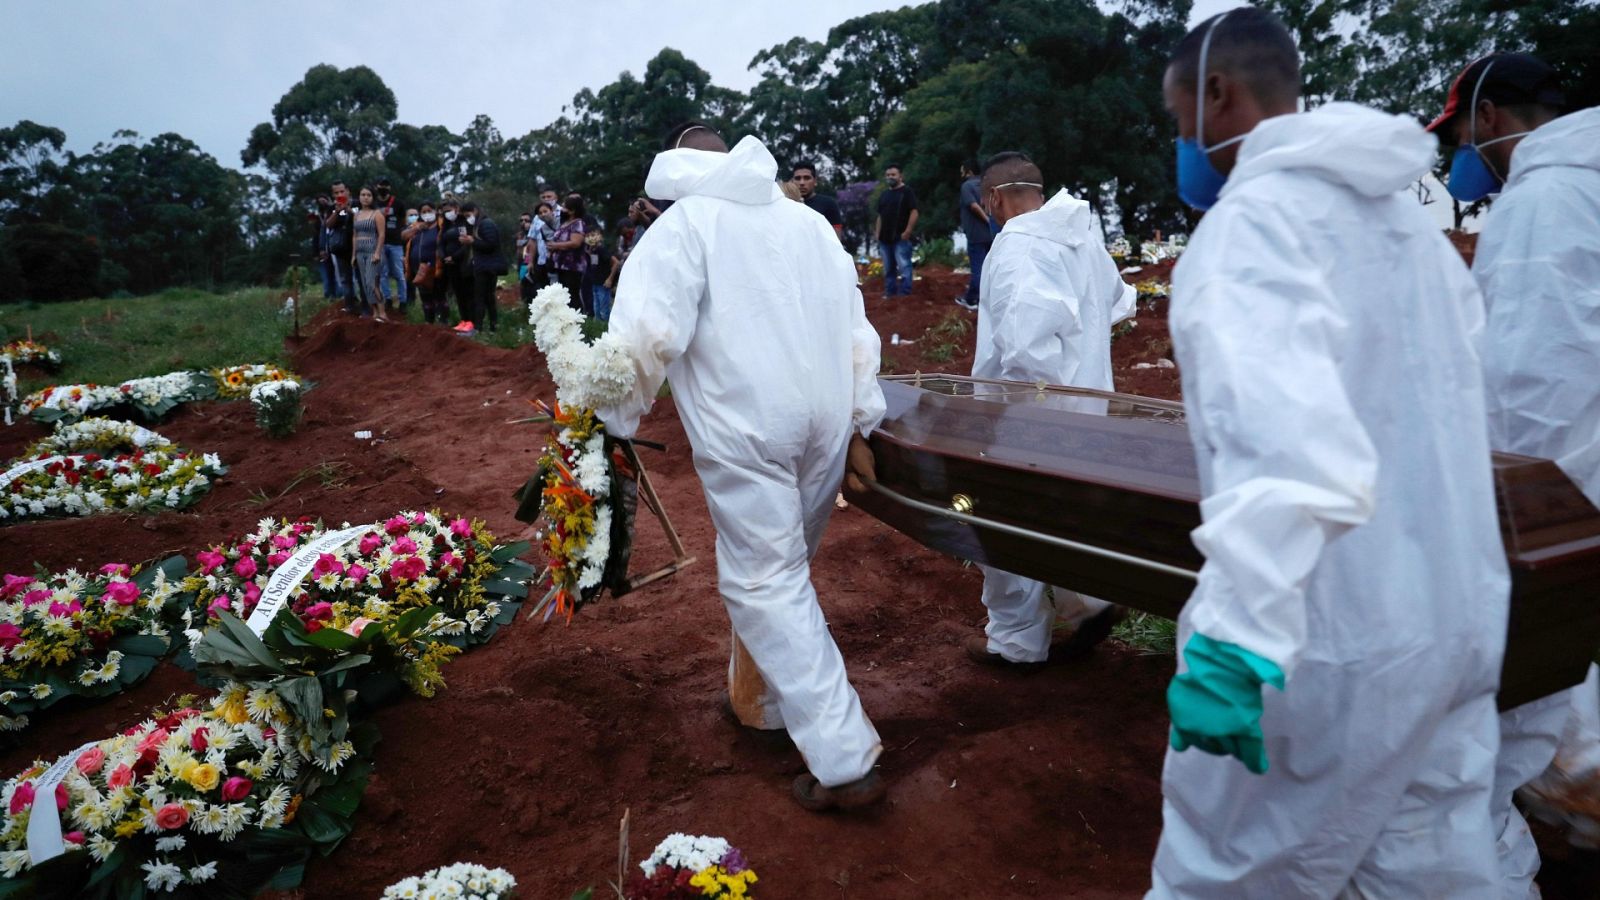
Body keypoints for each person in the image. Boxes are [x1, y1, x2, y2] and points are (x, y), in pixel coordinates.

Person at [1147, 8, 1509, 896]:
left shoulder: (1251, 234)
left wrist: (1235, 645)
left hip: (1321, 639)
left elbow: (1288, 460)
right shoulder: (1406, 229)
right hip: (1450, 616)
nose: (1178, 145)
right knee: (1432, 868)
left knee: (1226, 870)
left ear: (1217, 95)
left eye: (1173, 120)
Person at [597, 122, 888, 812]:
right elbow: (858, 328)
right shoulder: (811, 224)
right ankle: (762, 705)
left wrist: (607, 430)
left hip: (750, 424)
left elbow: (643, 342)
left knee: (764, 578)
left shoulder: (683, 228)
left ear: (674, 170)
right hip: (825, 418)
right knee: (786, 571)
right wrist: (859, 422)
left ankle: (845, 760)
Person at [1427, 52, 1600, 891]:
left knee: (1539, 684)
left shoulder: (1546, 200)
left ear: (1489, 118)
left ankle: (1571, 818)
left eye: (1458, 132)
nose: (1459, 152)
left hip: (1566, 493)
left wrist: (1511, 515)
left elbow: (1533, 386)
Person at [963, 152, 1134, 672]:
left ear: (993, 199)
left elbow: (1025, 352)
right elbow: (1121, 302)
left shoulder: (1018, 248)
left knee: (1001, 524)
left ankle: (1016, 643)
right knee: (1065, 515)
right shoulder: (1081, 237)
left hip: (1032, 417)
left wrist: (1006, 420)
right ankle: (1091, 603)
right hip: (1087, 408)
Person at [458, 202, 505, 332]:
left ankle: (479, 328)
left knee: (482, 298)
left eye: (468, 215)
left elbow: (491, 244)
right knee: (487, 297)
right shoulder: (478, 225)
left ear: (475, 210)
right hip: (483, 266)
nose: (468, 218)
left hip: (487, 267)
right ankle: (492, 327)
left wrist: (472, 241)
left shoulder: (486, 224)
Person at [874, 165, 918, 297]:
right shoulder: (884, 195)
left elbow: (914, 212)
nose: (890, 177)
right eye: (888, 175)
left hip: (901, 238)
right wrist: (877, 233)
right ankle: (890, 293)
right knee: (888, 268)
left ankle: (905, 293)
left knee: (904, 266)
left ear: (900, 176)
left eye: (893, 174)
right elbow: (880, 216)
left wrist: (908, 231)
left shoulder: (907, 192)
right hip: (885, 239)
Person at [956, 160, 991, 311]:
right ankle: (979, 297)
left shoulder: (967, 186)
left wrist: (987, 220)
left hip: (976, 234)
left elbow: (973, 205)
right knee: (989, 267)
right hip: (991, 235)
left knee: (978, 269)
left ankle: (974, 299)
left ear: (969, 171)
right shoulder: (986, 186)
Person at [404, 201, 447, 325]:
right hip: (419, 269)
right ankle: (429, 322)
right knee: (425, 297)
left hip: (436, 267)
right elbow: (403, 236)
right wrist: (417, 228)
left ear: (435, 211)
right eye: (423, 212)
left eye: (429, 211)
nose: (427, 214)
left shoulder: (441, 226)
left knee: (439, 295)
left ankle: (443, 322)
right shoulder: (417, 227)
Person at [352, 186, 390, 323]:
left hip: (373, 250)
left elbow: (381, 235)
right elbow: (354, 236)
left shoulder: (377, 214)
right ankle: (374, 312)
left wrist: (378, 252)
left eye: (368, 195)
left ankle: (382, 312)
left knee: (372, 282)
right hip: (360, 252)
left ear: (372, 197)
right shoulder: (356, 215)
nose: (365, 197)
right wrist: (353, 255)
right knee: (365, 284)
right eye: (363, 194)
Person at [547, 193, 589, 312]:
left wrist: (556, 245)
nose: (563, 209)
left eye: (565, 207)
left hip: (572, 266)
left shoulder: (578, 223)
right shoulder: (564, 223)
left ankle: (578, 319)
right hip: (561, 265)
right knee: (564, 294)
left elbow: (576, 243)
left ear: (572, 210)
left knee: (572, 294)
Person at [438, 200, 474, 331]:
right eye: (445, 212)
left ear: (456, 208)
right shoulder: (446, 225)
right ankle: (463, 320)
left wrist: (454, 257)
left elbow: (466, 244)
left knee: (467, 293)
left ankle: (471, 321)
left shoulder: (464, 222)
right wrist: (444, 257)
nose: (447, 214)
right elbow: (441, 243)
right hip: (449, 264)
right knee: (458, 293)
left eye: (449, 210)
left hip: (463, 262)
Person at [324, 181, 358, 313]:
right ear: (333, 194)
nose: (340, 195)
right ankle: (350, 305)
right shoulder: (332, 207)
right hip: (341, 248)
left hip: (358, 245)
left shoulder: (357, 204)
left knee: (362, 277)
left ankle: (368, 306)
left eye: (342, 191)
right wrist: (337, 212)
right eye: (336, 193)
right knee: (345, 279)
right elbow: (328, 225)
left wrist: (349, 210)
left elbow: (363, 219)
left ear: (348, 191)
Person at [375, 178, 407, 314]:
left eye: (386, 186)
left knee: (399, 274)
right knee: (383, 274)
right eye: (381, 185)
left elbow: (404, 220)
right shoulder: (374, 203)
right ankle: (387, 299)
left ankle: (403, 301)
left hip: (396, 243)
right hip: (379, 243)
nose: (383, 188)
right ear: (377, 187)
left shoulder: (398, 203)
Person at [792, 161, 844, 242]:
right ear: (792, 181)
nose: (802, 183)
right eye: (798, 178)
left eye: (807, 178)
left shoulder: (829, 204)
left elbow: (836, 241)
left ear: (815, 181)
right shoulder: (786, 205)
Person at [580, 225, 619, 321]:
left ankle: (606, 326)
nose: (590, 238)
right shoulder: (591, 250)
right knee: (596, 308)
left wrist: (610, 279)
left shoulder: (602, 250)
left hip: (603, 283)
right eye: (588, 236)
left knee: (604, 308)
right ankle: (598, 327)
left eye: (593, 235)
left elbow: (616, 263)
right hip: (595, 282)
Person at [311, 194, 336, 299]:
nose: (322, 203)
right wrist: (319, 250)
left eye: (324, 201)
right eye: (320, 202)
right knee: (327, 274)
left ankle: (338, 294)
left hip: (335, 247)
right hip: (324, 250)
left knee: (337, 274)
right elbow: (317, 236)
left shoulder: (334, 211)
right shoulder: (318, 218)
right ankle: (328, 295)